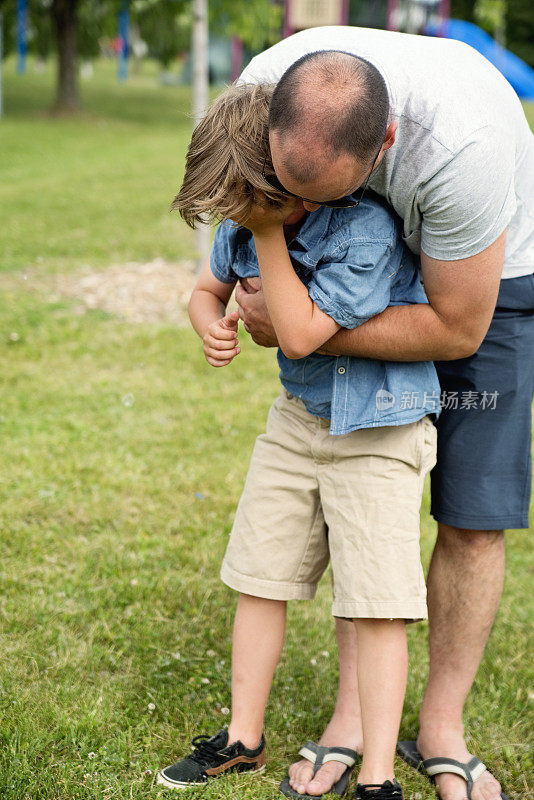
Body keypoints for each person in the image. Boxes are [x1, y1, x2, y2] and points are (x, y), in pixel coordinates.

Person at [233, 29, 534, 800]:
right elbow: (233, 213)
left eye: (327, 195)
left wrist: (305, 324)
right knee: (362, 489)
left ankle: (441, 725)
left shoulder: (461, 149)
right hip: (353, 269)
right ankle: (354, 718)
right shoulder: (257, 90)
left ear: (387, 143)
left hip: (486, 284)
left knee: (472, 509)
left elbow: (457, 326)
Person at [156, 82, 440, 799]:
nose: (239, 220)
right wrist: (210, 324)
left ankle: (375, 775)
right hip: (297, 421)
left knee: (376, 603)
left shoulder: (362, 230)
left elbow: (305, 331)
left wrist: (268, 232)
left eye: (250, 205)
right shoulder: (245, 221)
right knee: (258, 574)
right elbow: (204, 291)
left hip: (379, 427)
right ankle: (243, 737)